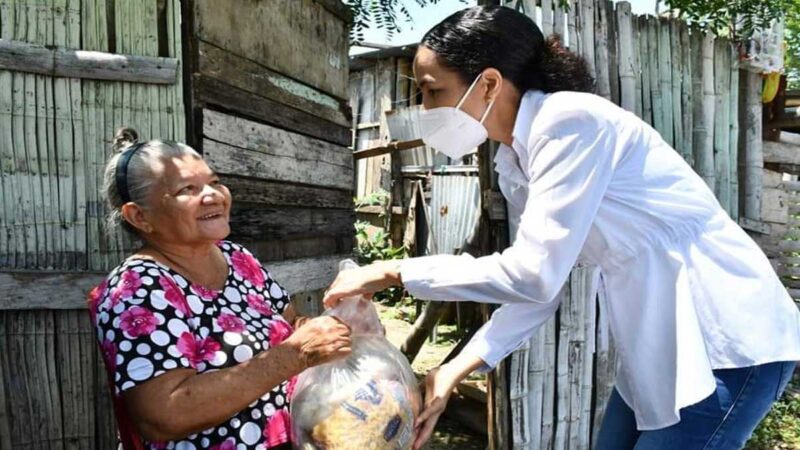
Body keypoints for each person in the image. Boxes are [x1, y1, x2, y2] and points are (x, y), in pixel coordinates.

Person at [322, 6, 800, 450]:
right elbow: (539, 285)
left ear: (489, 83)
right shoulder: (516, 160)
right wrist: (454, 369)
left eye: (433, 90)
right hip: (658, 346)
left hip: (726, 339)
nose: (425, 108)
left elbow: (533, 274)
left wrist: (393, 271)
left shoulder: (570, 121)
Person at [88, 128, 352, 450]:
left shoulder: (238, 258)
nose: (213, 195)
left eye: (214, 182)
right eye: (188, 188)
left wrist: (321, 329)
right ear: (140, 216)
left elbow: (290, 321)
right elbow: (163, 415)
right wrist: (296, 354)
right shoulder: (137, 288)